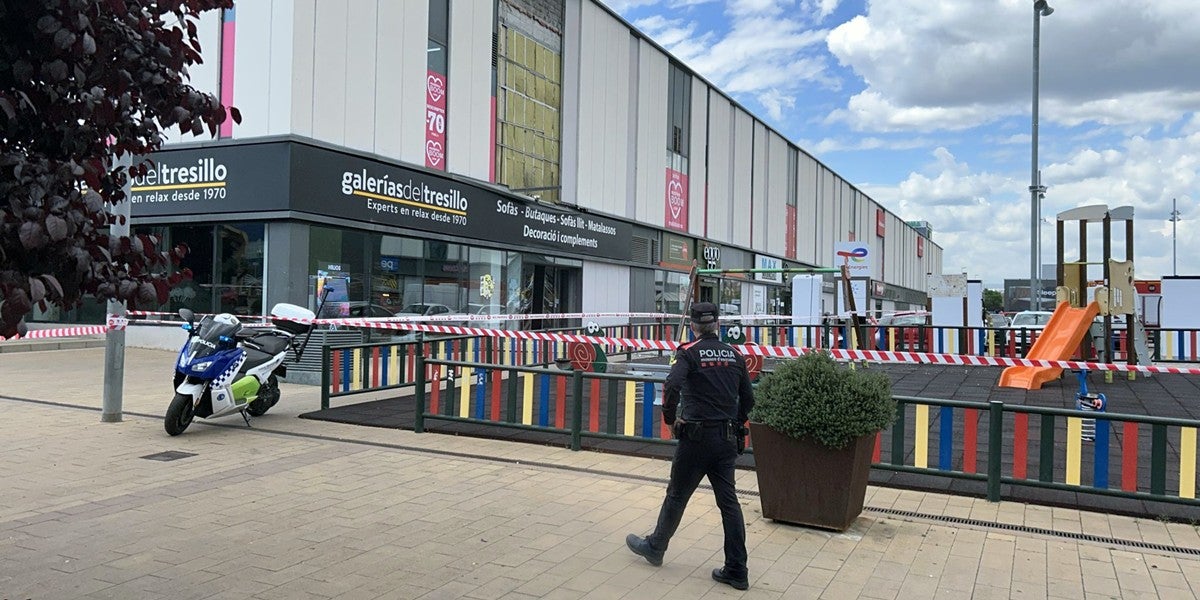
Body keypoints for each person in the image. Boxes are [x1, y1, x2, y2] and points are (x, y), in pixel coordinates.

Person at [625, 302, 755, 590]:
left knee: (677, 495)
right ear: (718, 324)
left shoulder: (688, 352)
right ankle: (737, 569)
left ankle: (656, 547)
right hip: (724, 440)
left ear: (694, 326)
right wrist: (738, 422)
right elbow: (748, 398)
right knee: (729, 504)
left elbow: (671, 385)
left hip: (695, 439)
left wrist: (671, 419)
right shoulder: (735, 355)